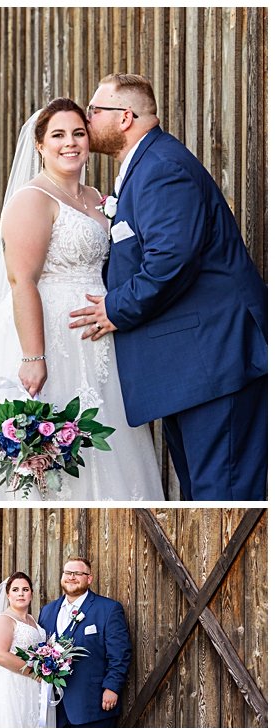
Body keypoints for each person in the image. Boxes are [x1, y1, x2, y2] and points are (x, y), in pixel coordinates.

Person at [0, 99, 163, 503]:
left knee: (104, 431)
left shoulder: (99, 198)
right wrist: (33, 356)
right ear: (39, 145)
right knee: (45, 431)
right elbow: (20, 279)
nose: (70, 143)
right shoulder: (32, 199)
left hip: (97, 335)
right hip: (46, 335)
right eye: (58, 135)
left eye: (79, 133)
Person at [69, 74, 268, 502]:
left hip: (216, 358)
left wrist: (113, 308)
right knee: (203, 491)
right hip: (192, 364)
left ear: (125, 118)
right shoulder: (145, 165)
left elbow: (171, 260)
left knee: (225, 494)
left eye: (93, 111)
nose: (87, 119)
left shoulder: (162, 168)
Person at [48, 554, 132, 727]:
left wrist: (112, 688)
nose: (72, 577)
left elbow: (119, 653)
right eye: (68, 572)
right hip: (55, 707)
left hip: (94, 703)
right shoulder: (47, 611)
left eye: (78, 573)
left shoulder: (108, 609)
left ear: (89, 579)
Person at [0, 570, 56, 728]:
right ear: (8, 595)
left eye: (25, 589)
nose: (21, 594)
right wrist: (35, 673)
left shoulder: (31, 619)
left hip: (33, 686)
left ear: (31, 593)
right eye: (15, 590)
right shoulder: (4, 620)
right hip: (11, 683)